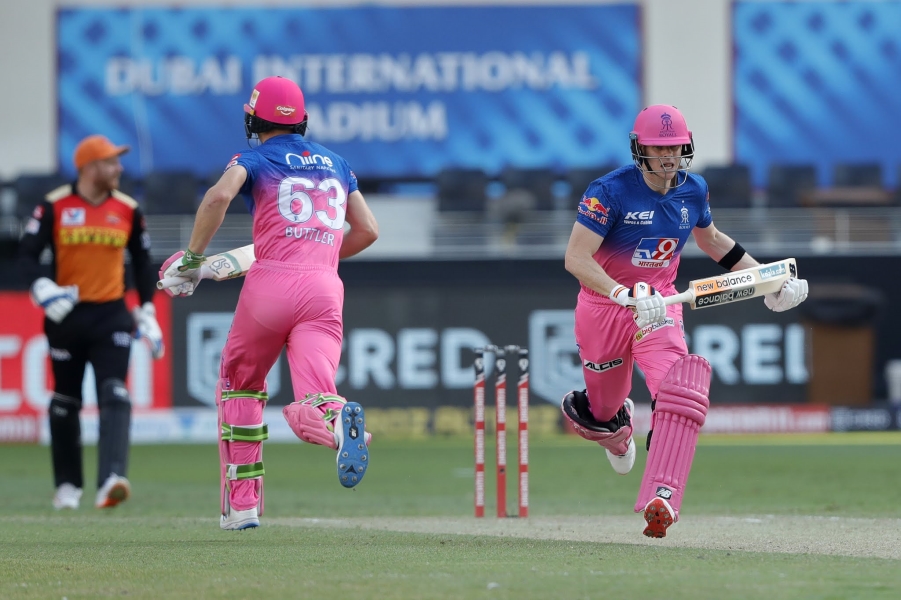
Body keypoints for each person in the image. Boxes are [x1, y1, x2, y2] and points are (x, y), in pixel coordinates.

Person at [561, 105, 809, 538]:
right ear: (640, 150)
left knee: (676, 389)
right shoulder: (608, 192)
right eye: (659, 149)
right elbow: (576, 258)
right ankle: (616, 430)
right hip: (604, 308)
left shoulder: (694, 190)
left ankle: (663, 494)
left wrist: (768, 280)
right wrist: (623, 294)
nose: (668, 156)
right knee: (600, 410)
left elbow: (713, 240)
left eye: (674, 147)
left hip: (661, 306)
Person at [160, 76, 379, 531]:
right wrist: (315, 254)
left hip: (271, 285)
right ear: (302, 120)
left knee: (240, 383)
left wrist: (194, 259)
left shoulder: (253, 159)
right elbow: (368, 230)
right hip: (324, 287)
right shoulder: (337, 163)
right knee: (318, 391)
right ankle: (335, 421)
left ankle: (242, 506)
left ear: (252, 120)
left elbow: (218, 197)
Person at [17, 134, 165, 511]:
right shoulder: (54, 205)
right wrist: (41, 286)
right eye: (111, 162)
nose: (118, 168)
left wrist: (147, 309)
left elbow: (142, 262)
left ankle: (111, 479)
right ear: (89, 167)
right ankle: (68, 487)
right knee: (65, 401)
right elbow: (27, 254)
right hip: (66, 316)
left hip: (112, 315)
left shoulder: (128, 208)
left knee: (115, 393)